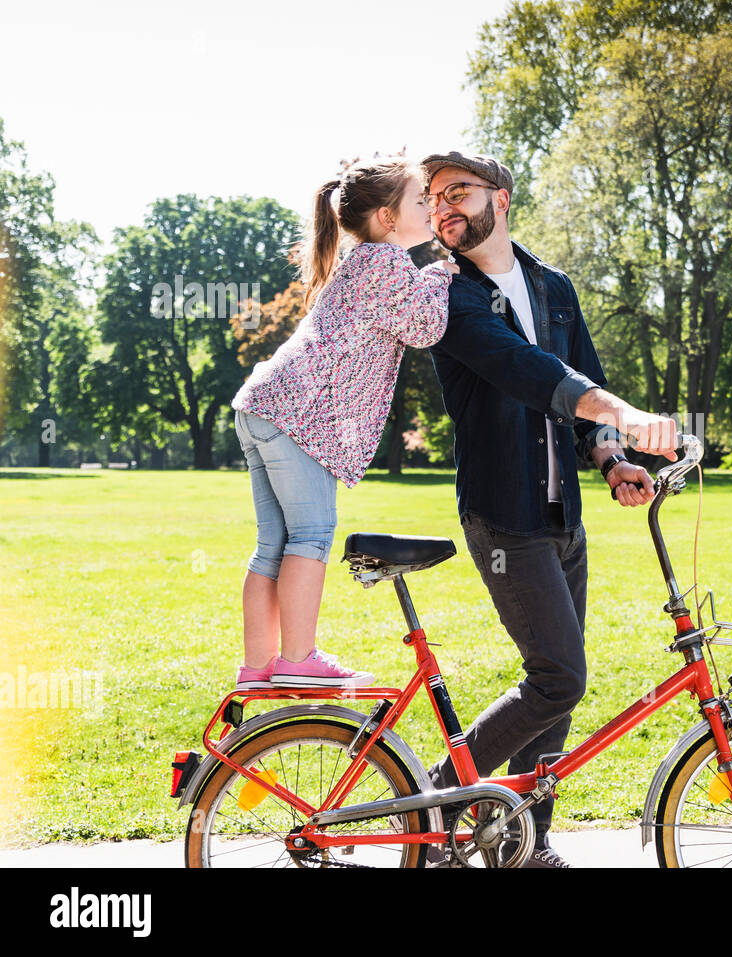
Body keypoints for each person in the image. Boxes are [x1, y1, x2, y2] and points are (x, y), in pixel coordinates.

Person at [417, 151, 678, 867]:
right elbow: (532, 374)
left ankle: (522, 841)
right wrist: (621, 412)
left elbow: (581, 374)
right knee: (559, 674)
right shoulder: (447, 296)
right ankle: (437, 802)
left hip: (564, 517)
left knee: (555, 689)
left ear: (500, 198)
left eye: (457, 192)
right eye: (434, 197)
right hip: (505, 516)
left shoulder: (553, 287)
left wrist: (611, 454)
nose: (442, 207)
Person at [230, 156, 454, 691]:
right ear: (387, 216)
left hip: (264, 405)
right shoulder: (387, 263)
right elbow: (424, 327)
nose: (430, 208)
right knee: (310, 535)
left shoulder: (360, 260)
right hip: (301, 416)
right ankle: (299, 658)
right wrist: (443, 275)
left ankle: (258, 665)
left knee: (273, 542)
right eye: (420, 201)